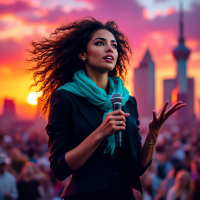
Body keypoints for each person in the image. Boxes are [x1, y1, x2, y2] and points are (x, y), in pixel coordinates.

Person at [25, 17, 186, 200]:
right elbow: (59, 168)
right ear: (82, 53)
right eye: (100, 43)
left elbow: (139, 167)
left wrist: (153, 134)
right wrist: (99, 133)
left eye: (114, 45)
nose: (110, 48)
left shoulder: (126, 100)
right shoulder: (65, 97)